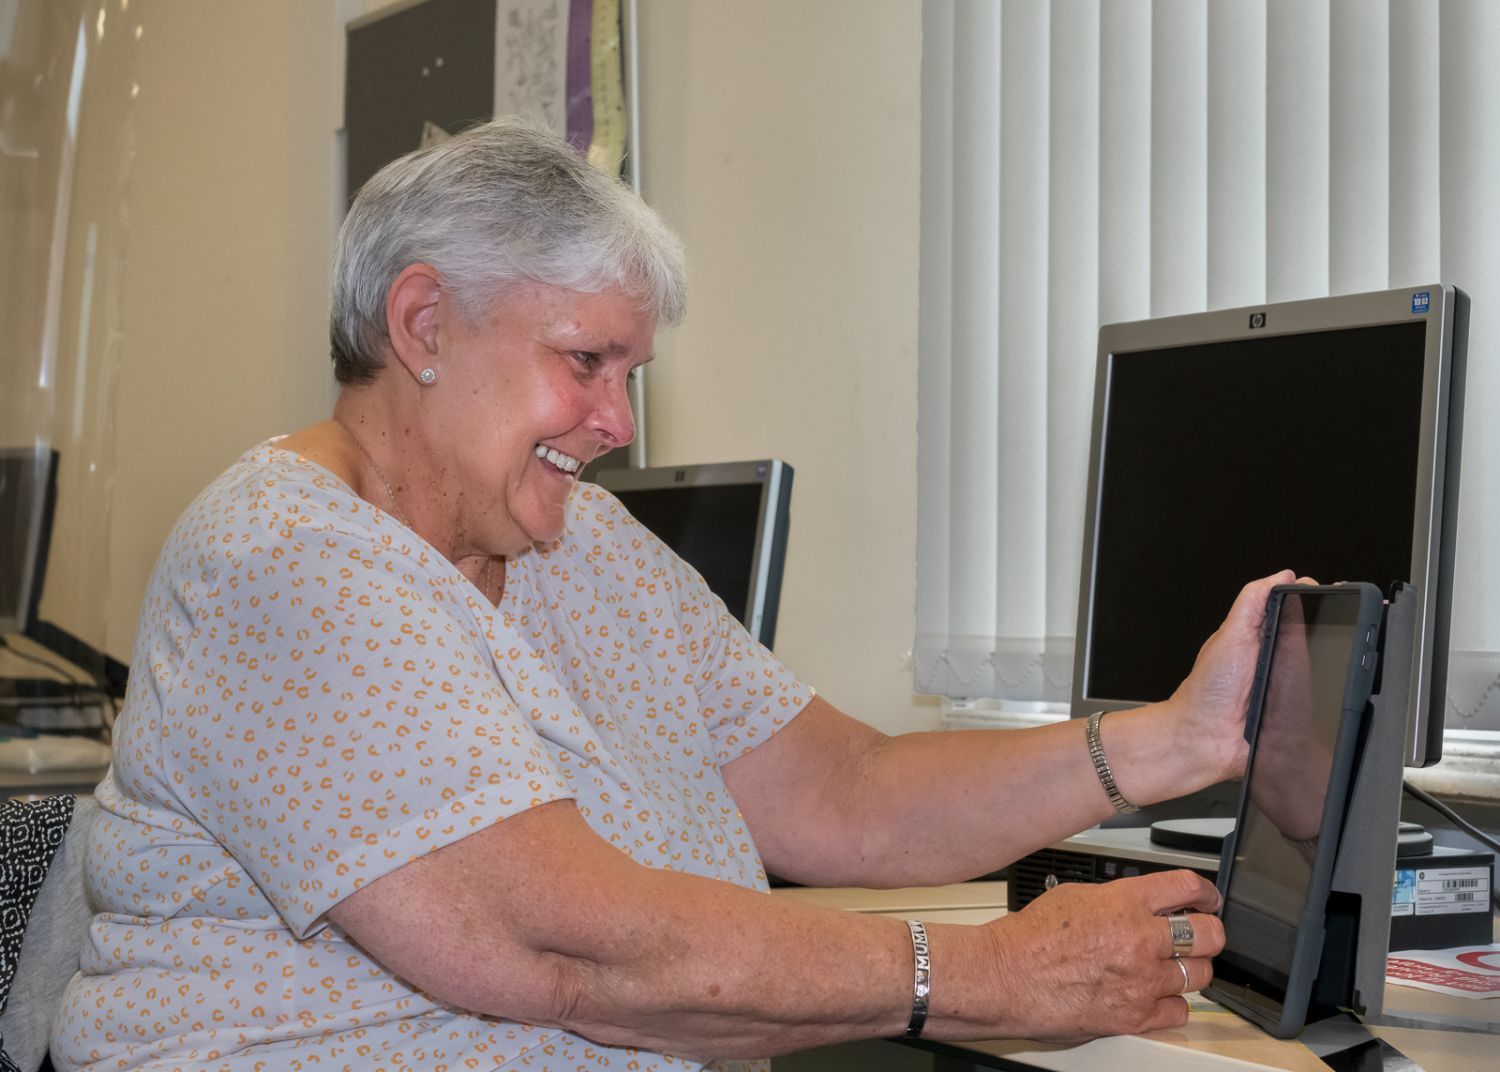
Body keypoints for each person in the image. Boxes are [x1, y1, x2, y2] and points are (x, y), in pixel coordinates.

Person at [55, 116, 1287, 1072]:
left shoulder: (586, 546)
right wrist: (989, 974)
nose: (616, 423)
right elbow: (570, 948)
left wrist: (1172, 737)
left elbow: (845, 794)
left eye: (630, 373)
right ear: (424, 323)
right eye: (585, 361)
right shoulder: (289, 562)